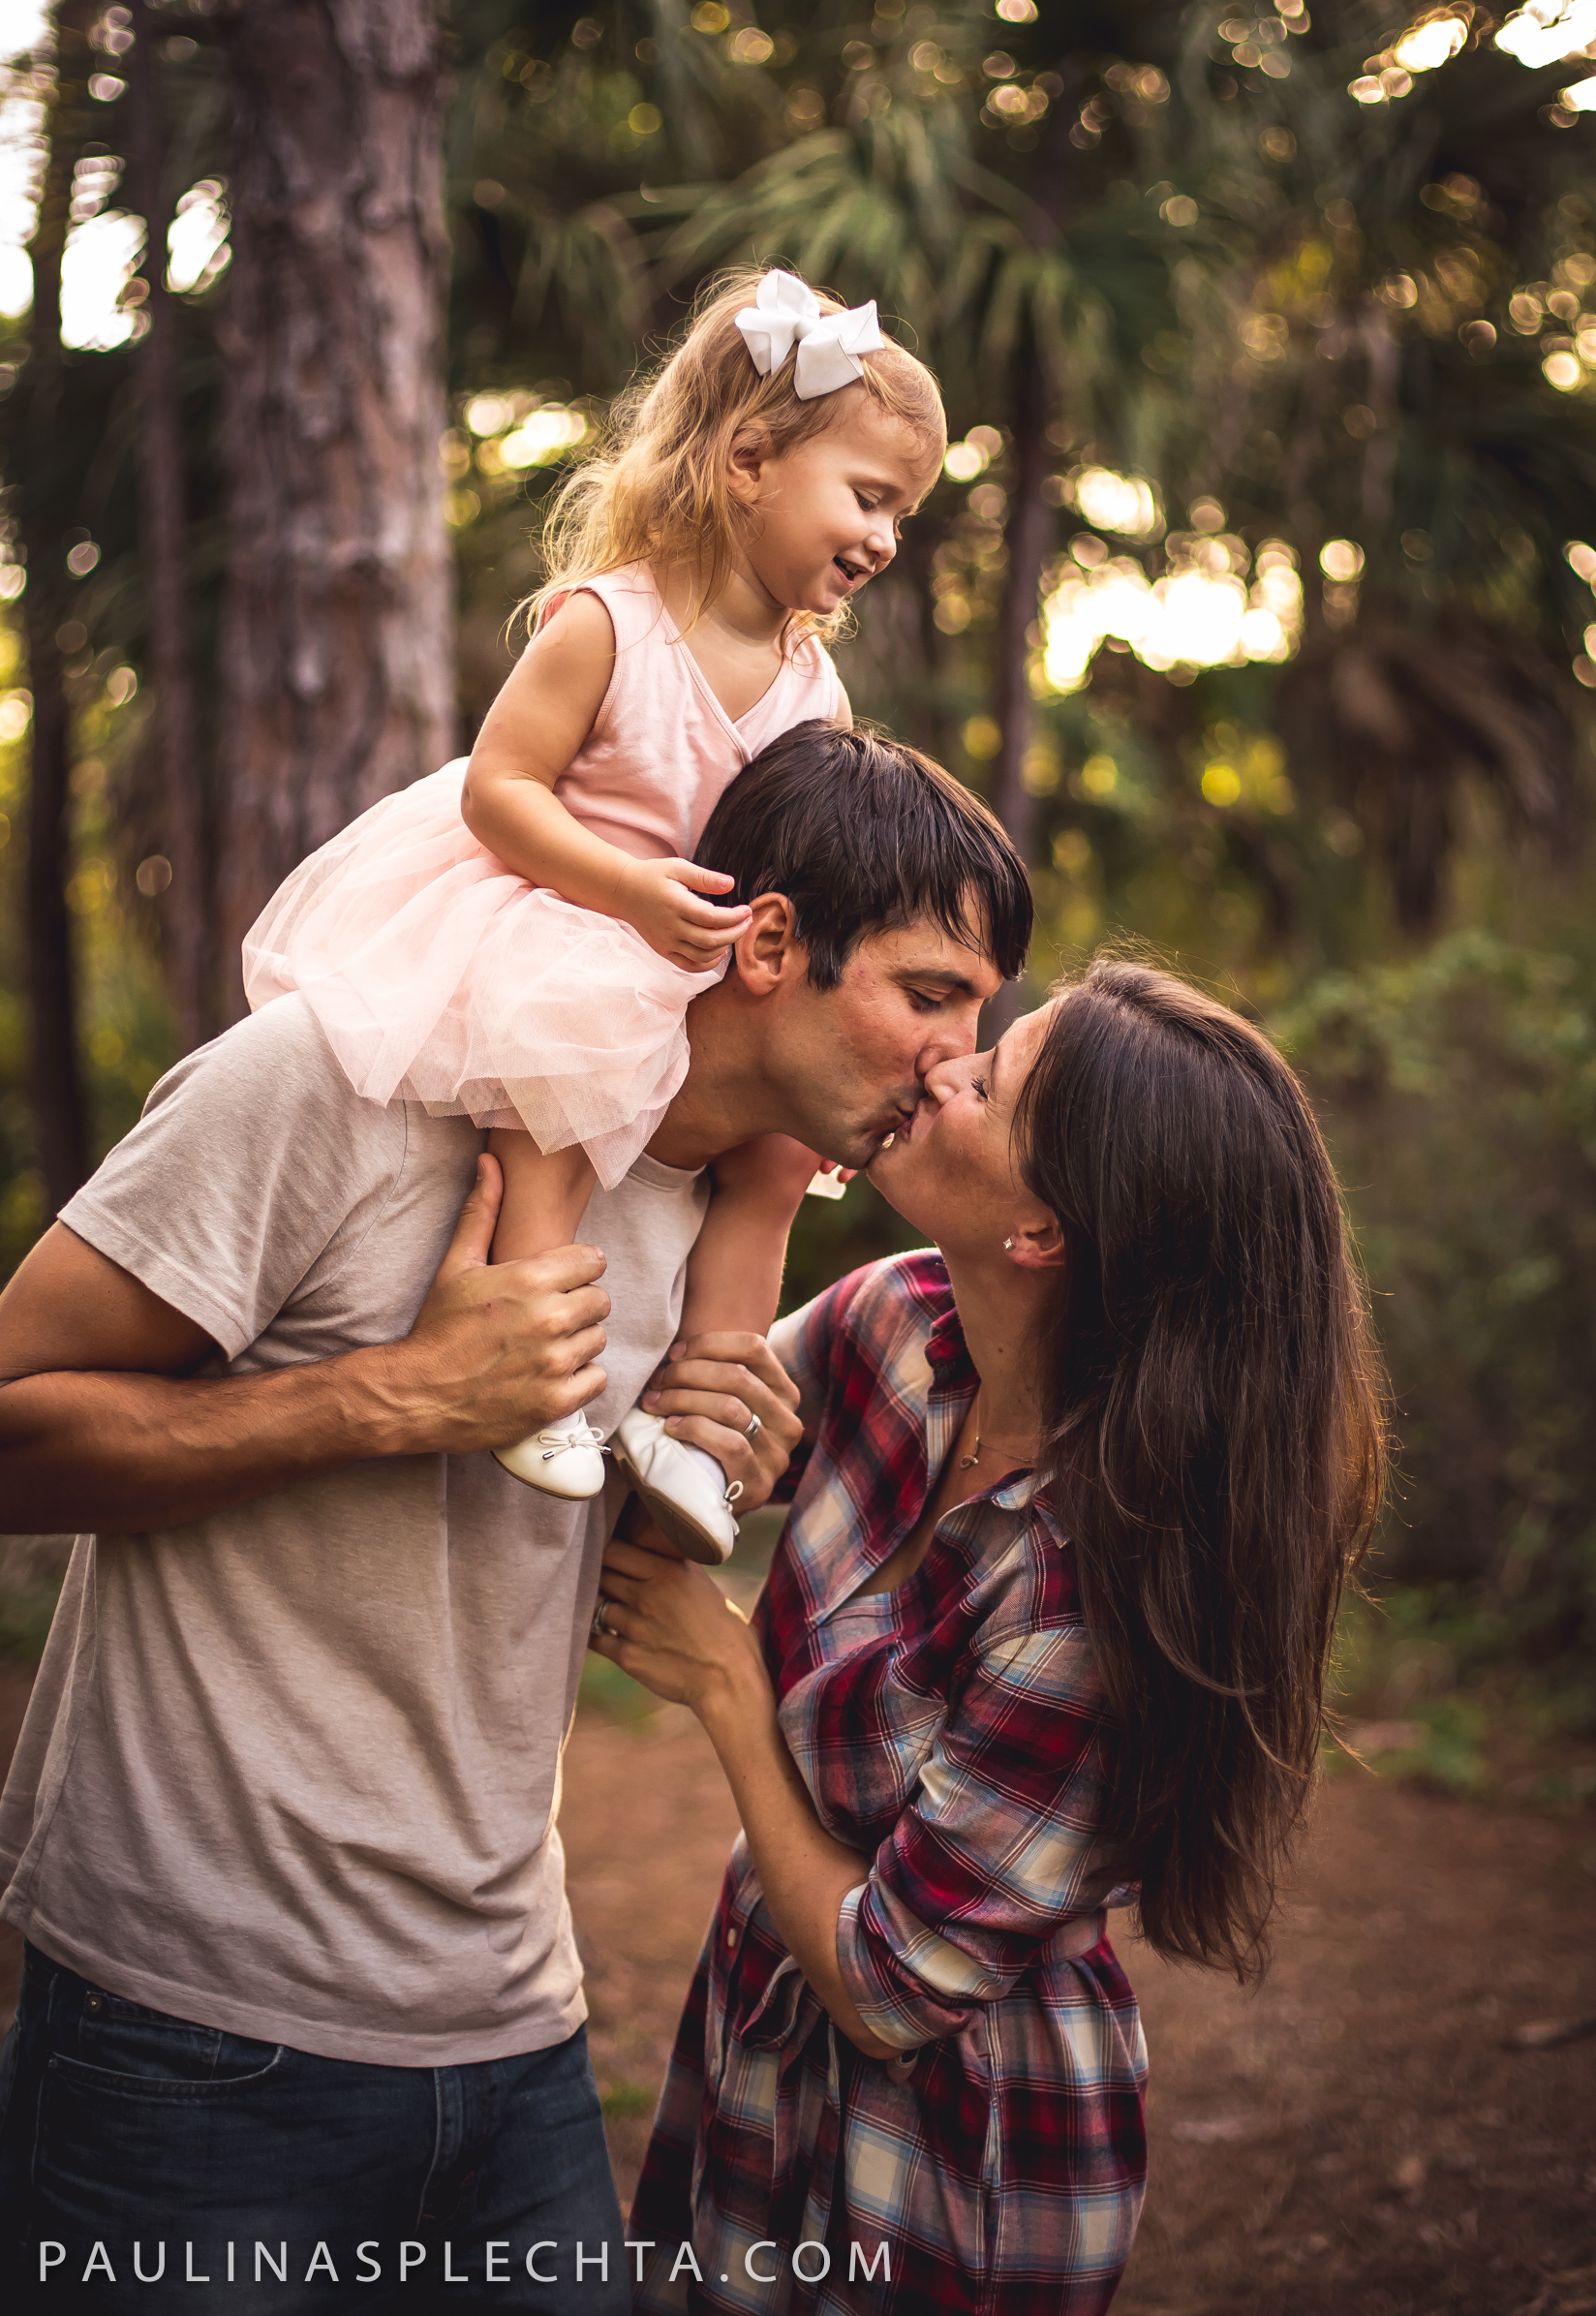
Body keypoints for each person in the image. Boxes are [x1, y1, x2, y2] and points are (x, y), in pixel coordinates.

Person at [0, 730, 1031, 2311]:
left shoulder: (725, 1235)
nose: (957, 1059)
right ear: (767, 946)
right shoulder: (343, 1080)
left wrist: (694, 1476)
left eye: (982, 1013)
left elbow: (502, 1562)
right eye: (931, 993)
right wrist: (398, 1393)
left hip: (515, 2020)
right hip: (190, 2026)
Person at [590, 959, 1389, 2316]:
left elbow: (890, 1990)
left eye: (991, 1079)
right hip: (758, 2048)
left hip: (960, 2152)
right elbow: (656, 1489)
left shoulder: (1092, 1597)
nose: (942, 1066)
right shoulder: (896, 1326)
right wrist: (762, 1195)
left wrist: (729, 1684)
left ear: (1041, 1231)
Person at [243, 266, 947, 1559]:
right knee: (575, 1076)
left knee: (780, 1159)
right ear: (749, 461)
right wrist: (624, 888)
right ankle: (540, 1359)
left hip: (707, 959)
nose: (885, 537)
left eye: (902, 513)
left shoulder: (814, 684)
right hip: (570, 915)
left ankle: (699, 1418)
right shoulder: (607, 623)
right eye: (869, 497)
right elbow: (498, 793)